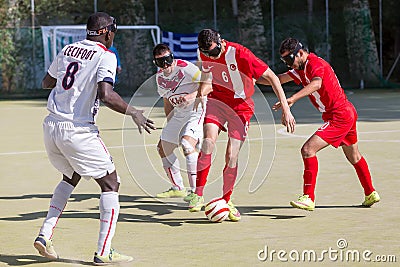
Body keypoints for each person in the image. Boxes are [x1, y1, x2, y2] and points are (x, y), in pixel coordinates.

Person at [33, 12, 155, 265]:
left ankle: (45, 234)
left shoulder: (68, 48)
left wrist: (76, 81)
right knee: (111, 183)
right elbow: (107, 95)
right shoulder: (105, 55)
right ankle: (103, 251)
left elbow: (47, 82)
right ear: (106, 31)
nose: (114, 36)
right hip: (77, 130)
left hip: (51, 127)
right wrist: (133, 111)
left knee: (71, 176)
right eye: (114, 31)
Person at [261, 37, 380, 211]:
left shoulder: (316, 64)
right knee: (353, 156)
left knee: (308, 150)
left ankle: (308, 197)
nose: (288, 64)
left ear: (300, 53)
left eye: (289, 59)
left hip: (339, 115)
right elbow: (277, 79)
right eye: (284, 60)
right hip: (345, 113)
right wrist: (252, 76)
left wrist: (292, 99)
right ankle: (371, 193)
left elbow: (316, 84)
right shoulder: (300, 69)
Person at [189, 29, 296, 221]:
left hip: (241, 107)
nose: (210, 56)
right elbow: (206, 78)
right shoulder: (203, 53)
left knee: (232, 155)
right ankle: (198, 194)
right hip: (217, 103)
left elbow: (271, 77)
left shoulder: (240, 54)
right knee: (207, 143)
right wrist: (199, 94)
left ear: (220, 41)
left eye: (213, 52)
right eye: (206, 53)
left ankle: (226, 200)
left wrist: (286, 110)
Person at [153, 43, 205, 201]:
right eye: (161, 62)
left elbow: (208, 85)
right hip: (180, 114)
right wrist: (170, 123)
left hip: (197, 110)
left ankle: (196, 193)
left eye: (168, 59)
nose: (166, 65)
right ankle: (178, 188)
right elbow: (167, 101)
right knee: (163, 147)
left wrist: (191, 96)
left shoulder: (186, 68)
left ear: (172, 57)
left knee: (187, 145)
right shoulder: (160, 78)